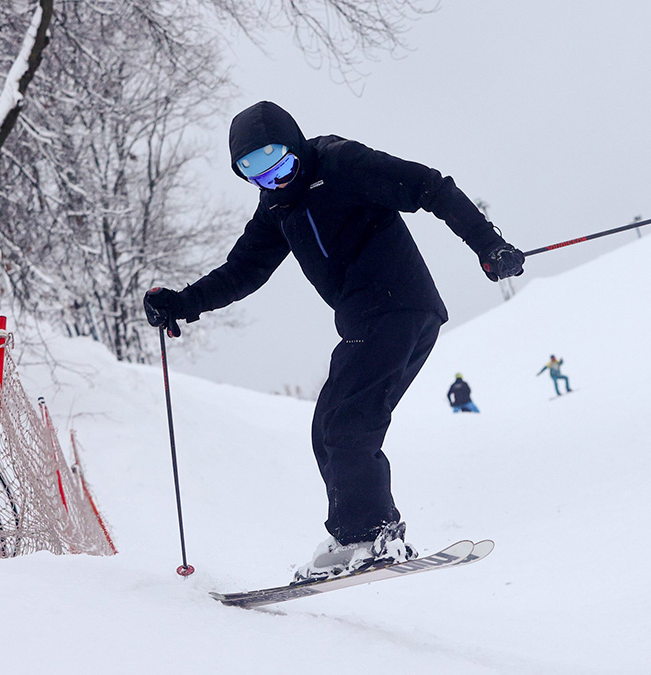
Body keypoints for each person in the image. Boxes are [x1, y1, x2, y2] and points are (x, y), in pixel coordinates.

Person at [143, 101, 525, 582]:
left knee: (347, 423)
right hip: (368, 320)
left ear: (296, 148)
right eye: (258, 175)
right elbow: (242, 270)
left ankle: (372, 534)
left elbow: (431, 186)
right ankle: (354, 536)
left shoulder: (342, 164)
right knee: (328, 425)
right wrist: (181, 303)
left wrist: (488, 245)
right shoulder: (276, 207)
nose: (275, 180)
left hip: (398, 305)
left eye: (280, 165)